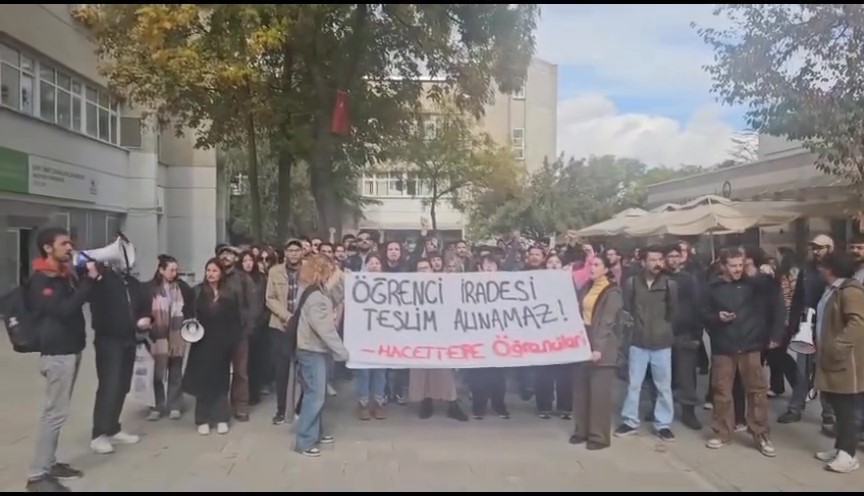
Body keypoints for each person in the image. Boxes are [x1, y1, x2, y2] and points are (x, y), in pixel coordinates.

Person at [25, 227, 98, 492]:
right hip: (57, 355)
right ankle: (37, 475)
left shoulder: (62, 275)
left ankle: (49, 462)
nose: (70, 247)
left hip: (70, 350)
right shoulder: (42, 280)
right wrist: (88, 282)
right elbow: (64, 310)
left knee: (57, 413)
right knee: (54, 415)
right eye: (64, 243)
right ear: (48, 248)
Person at [702, 247, 784, 457]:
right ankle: (722, 432)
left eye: (741, 265)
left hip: (751, 345)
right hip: (724, 346)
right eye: (733, 265)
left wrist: (756, 272)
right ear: (723, 266)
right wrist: (716, 317)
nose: (737, 269)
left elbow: (774, 292)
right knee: (721, 392)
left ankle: (761, 434)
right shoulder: (713, 287)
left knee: (757, 392)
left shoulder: (755, 284)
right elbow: (702, 313)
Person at [88, 252, 152, 454]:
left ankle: (113, 428)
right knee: (109, 385)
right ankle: (99, 434)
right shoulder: (102, 282)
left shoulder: (133, 283)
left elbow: (145, 307)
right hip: (109, 340)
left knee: (123, 385)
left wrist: (147, 318)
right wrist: (95, 273)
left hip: (129, 339)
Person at [294, 254, 350, 457]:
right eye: (331, 269)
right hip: (312, 352)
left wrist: (342, 281)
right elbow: (325, 329)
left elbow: (334, 298)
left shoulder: (313, 291)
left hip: (314, 351)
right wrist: (342, 352)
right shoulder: (316, 297)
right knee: (315, 396)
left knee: (317, 395)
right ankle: (305, 441)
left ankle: (315, 433)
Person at [813, 253, 864, 473]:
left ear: (831, 269)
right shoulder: (833, 290)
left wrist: (838, 345)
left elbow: (858, 321)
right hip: (831, 358)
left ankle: (849, 455)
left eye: (822, 266)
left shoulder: (850, 291)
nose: (819, 270)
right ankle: (840, 447)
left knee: (845, 409)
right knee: (836, 405)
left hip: (845, 361)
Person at [183, 258, 244, 436]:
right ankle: (202, 418)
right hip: (202, 341)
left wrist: (232, 340)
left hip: (223, 343)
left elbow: (235, 319)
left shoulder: (230, 293)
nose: (211, 274)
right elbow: (187, 312)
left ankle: (221, 418)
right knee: (203, 380)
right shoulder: (197, 292)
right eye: (208, 270)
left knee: (221, 380)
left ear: (221, 273)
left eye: (214, 271)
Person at [571, 255, 622, 450]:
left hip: (603, 342)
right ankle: (581, 431)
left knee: (599, 393)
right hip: (583, 339)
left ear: (606, 269)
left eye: (596, 264)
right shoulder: (586, 287)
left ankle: (599, 437)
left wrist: (598, 348)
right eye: (590, 264)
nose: (592, 268)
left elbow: (607, 321)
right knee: (581, 389)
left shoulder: (612, 291)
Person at [143, 255, 194, 421]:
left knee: (175, 371)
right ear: (161, 270)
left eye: (176, 269)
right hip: (156, 336)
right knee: (156, 373)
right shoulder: (150, 289)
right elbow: (142, 310)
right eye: (171, 269)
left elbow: (191, 309)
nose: (174, 273)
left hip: (177, 335)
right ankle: (156, 405)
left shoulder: (183, 288)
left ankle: (175, 405)